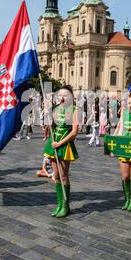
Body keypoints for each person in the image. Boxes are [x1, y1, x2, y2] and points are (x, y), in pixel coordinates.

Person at [43, 85, 79, 218]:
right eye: (60, 95)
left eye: (65, 95)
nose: (62, 97)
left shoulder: (74, 110)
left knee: (64, 176)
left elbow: (75, 132)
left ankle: (65, 205)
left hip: (64, 145)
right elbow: (52, 127)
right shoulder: (56, 109)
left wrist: (60, 143)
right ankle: (59, 204)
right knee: (56, 176)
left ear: (70, 96)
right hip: (53, 144)